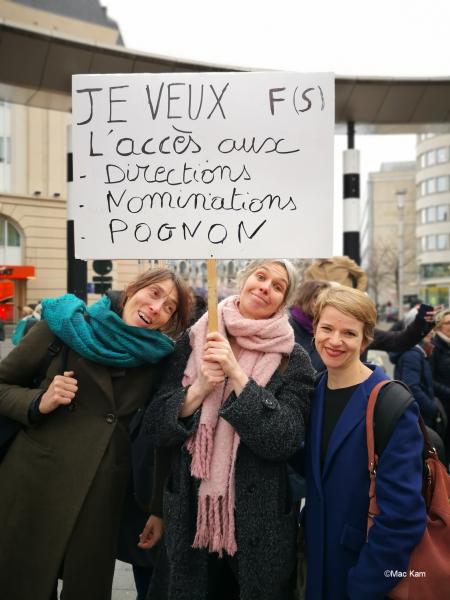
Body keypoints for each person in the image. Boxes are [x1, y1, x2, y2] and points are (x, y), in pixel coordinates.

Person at [0, 268, 191, 600]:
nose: (157, 307)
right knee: (22, 583)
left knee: (86, 588)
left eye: (170, 307)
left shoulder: (159, 358)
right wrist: (38, 402)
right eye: (155, 293)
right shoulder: (63, 327)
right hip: (34, 485)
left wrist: (157, 508)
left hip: (103, 496)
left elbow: (159, 437)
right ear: (132, 290)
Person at [140, 259, 314, 600]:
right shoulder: (195, 338)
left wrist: (237, 375)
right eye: (260, 277)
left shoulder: (293, 359)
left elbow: (285, 439)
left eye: (278, 286)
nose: (265, 287)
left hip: (259, 525)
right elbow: (155, 428)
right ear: (244, 279)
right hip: (190, 514)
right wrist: (198, 390)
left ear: (284, 301)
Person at [295, 285, 426, 599]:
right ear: (314, 331)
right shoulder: (313, 390)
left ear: (366, 339)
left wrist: (365, 587)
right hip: (317, 566)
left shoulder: (392, 404)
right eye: (327, 328)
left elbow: (402, 517)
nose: (335, 341)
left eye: (349, 333)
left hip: (360, 572)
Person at [389, 308, 438, 428]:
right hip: (420, 417)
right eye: (426, 327)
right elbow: (412, 387)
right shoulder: (412, 354)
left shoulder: (416, 351)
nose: (431, 331)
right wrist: (432, 409)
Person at [429, 308, 450, 459]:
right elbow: (430, 380)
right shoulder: (434, 346)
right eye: (448, 323)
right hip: (443, 405)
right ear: (438, 327)